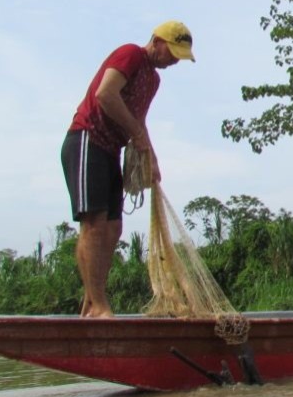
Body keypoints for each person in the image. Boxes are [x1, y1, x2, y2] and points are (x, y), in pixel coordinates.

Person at [61, 20, 195, 318]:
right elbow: (105, 94)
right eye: (172, 52)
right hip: (87, 140)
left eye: (179, 57)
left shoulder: (154, 81)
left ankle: (90, 303)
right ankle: (98, 305)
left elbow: (139, 120)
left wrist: (152, 158)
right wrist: (136, 134)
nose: (174, 61)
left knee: (113, 227)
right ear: (157, 41)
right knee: (94, 224)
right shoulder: (131, 54)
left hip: (110, 150)